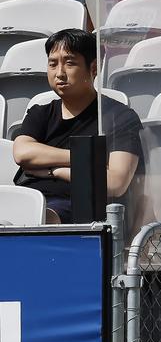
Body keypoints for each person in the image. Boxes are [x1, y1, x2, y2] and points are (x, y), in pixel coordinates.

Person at [11, 28, 143, 224]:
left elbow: (116, 182)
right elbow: (22, 153)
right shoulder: (40, 112)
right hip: (29, 200)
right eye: (52, 64)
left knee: (42, 217)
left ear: (93, 68)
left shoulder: (120, 117)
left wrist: (53, 170)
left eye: (70, 63)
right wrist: (88, 160)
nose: (59, 73)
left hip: (82, 210)